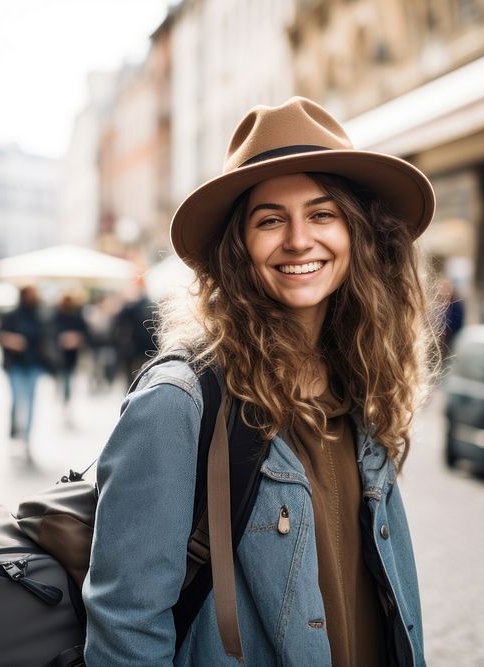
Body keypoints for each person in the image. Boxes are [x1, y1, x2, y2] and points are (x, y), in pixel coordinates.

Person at [84, 97, 436, 665]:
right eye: (271, 219)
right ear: (238, 247)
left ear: (359, 235)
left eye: (323, 214)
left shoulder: (363, 379)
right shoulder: (180, 403)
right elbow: (125, 622)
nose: (299, 240)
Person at [0, 285, 46, 457]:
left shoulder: (39, 315)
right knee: (18, 401)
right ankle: (16, 433)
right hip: (16, 364)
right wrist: (13, 341)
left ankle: (26, 437)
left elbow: (45, 338)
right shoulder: (12, 316)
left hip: (33, 365)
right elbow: (0, 335)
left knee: (30, 402)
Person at [112, 279, 157, 387]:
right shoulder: (144, 304)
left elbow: (119, 321)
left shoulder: (136, 305)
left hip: (138, 346)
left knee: (135, 376)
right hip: (142, 346)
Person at [51, 292, 89, 420]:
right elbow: (51, 333)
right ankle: (62, 397)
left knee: (67, 379)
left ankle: (65, 400)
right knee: (63, 377)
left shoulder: (76, 316)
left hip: (71, 356)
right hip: (59, 355)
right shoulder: (57, 316)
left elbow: (84, 332)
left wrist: (76, 339)